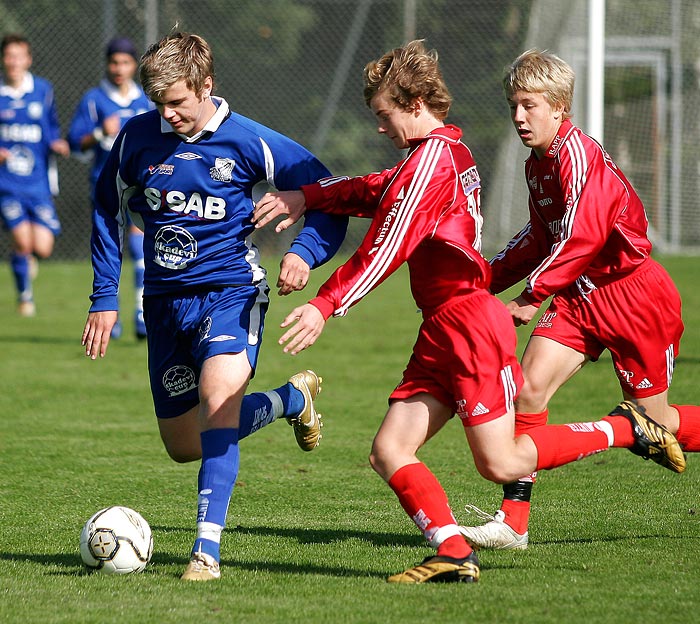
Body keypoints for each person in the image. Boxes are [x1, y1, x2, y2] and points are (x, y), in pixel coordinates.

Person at [252, 40, 685, 584]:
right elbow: (378, 190)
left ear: (412, 103)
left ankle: (623, 431)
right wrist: (308, 197)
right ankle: (455, 552)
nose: (380, 127)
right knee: (389, 450)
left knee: (500, 462)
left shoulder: (437, 158)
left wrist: (325, 303)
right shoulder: (439, 155)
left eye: (384, 114)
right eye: (515, 106)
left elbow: (390, 242)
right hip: (447, 324)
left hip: (476, 323)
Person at [81, 31, 347, 581]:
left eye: (178, 101)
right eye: (160, 103)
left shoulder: (249, 140)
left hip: (231, 292)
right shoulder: (136, 139)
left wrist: (304, 251)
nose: (168, 113)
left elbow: (329, 192)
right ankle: (291, 400)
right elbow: (107, 207)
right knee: (184, 445)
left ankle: (206, 552)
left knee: (219, 399)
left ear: (207, 86)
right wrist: (105, 295)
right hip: (163, 305)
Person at [457, 49, 700, 552]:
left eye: (529, 105)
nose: (519, 117)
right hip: (579, 296)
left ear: (559, 106)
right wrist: (478, 282)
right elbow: (540, 238)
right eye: (513, 106)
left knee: (653, 422)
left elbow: (582, 238)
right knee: (527, 392)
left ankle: (634, 428)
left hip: (635, 297)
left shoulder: (579, 157)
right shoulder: (538, 164)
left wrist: (530, 296)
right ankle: (512, 525)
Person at [68, 37, 153, 339]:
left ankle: (143, 314)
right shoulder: (94, 99)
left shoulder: (145, 100)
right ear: (107, 64)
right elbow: (74, 142)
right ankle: (109, 312)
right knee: (110, 247)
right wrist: (98, 133)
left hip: (141, 186)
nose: (119, 68)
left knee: (140, 245)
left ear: (134, 65)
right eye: (114, 62)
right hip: (106, 186)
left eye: (126, 62)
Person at [0, 33, 69, 316]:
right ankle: (25, 297)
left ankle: (28, 260)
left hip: (38, 183)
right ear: (3, 60)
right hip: (7, 184)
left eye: (20, 56)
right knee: (23, 242)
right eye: (9, 56)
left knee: (42, 247)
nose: (14, 62)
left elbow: (50, 126)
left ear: (28, 59)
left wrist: (56, 142)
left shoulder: (42, 89)